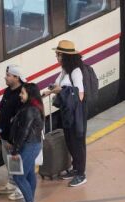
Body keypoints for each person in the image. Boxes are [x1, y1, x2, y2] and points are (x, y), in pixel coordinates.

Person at [42, 40, 87, 187]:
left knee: (77, 142)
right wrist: (49, 91)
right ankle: (75, 168)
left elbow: (80, 94)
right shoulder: (65, 70)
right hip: (67, 112)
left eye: (58, 54)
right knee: (69, 140)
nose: (57, 57)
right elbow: (58, 85)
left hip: (75, 113)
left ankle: (81, 173)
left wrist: (60, 90)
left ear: (65, 56)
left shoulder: (76, 71)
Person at [8, 83, 44, 202]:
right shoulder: (34, 107)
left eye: (22, 93)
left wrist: (15, 150)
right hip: (32, 144)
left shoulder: (30, 110)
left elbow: (24, 131)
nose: (20, 95)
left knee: (18, 176)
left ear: (30, 95)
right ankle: (29, 200)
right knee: (29, 174)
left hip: (29, 145)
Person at [0, 64, 25, 201]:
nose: (5, 77)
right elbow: (3, 111)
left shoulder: (22, 93)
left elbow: (19, 120)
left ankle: (19, 188)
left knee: (15, 161)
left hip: (12, 137)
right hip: (4, 133)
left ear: (16, 77)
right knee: (7, 161)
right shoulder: (7, 91)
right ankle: (12, 183)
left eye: (8, 75)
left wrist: (11, 139)